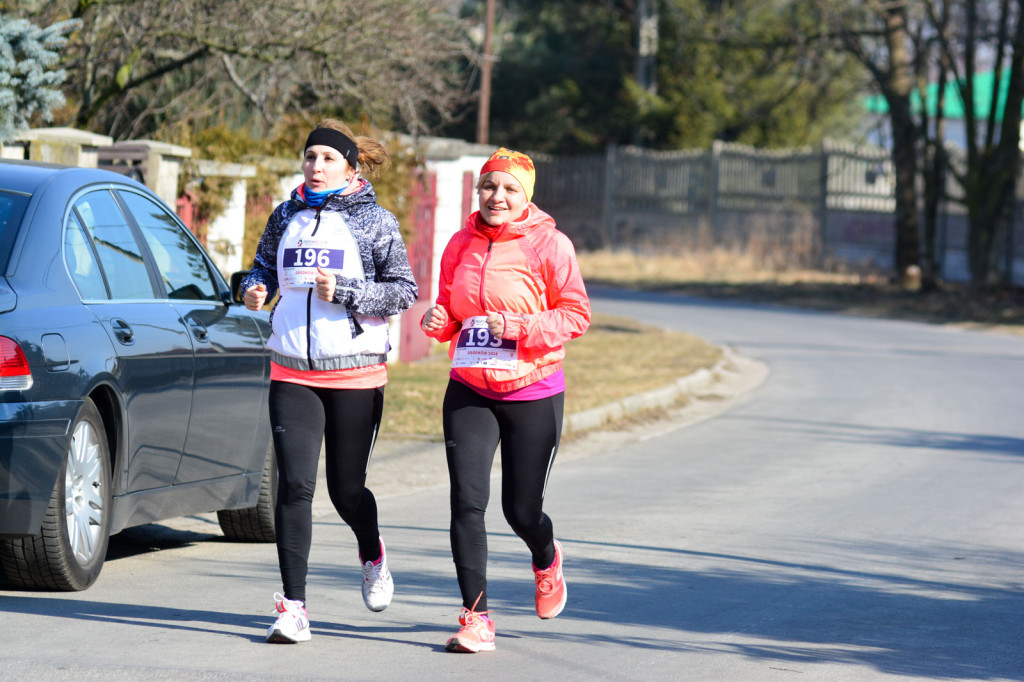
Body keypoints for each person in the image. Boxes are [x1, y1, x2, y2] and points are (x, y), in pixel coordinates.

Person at [241, 119, 418, 644]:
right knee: (294, 487)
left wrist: (344, 289)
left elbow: (404, 291)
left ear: (350, 166)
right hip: (291, 368)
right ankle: (293, 607)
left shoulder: (375, 221)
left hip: (356, 371)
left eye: (327, 158)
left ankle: (372, 552)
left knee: (345, 491)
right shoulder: (285, 214)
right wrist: (253, 288)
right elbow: (261, 269)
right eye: (309, 156)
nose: (315, 166)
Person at [420, 147, 591, 653]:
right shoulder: (460, 243)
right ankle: (476, 619)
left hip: (532, 390)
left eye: (510, 189)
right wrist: (440, 322)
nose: (498, 196)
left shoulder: (551, 245)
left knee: (521, 510)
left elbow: (576, 315)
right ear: (478, 192)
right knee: (467, 504)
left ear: (525, 197)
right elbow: (454, 310)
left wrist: (520, 327)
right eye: (490, 187)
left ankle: (545, 554)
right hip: (470, 389)